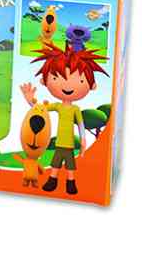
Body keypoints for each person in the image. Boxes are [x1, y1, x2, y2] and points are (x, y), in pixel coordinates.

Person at [20, 44, 108, 195]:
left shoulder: (75, 109)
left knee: (70, 166)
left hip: (70, 145)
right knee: (55, 165)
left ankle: (70, 184)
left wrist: (83, 140)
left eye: (81, 81)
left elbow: (80, 125)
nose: (67, 86)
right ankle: (52, 181)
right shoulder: (58, 106)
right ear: (44, 81)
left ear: (92, 86)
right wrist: (30, 100)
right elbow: (41, 109)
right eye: (55, 78)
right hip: (59, 144)